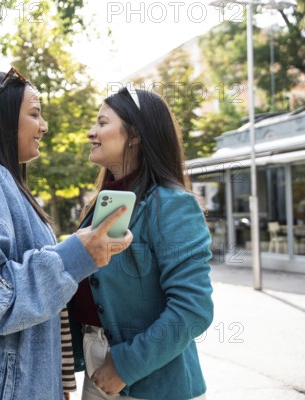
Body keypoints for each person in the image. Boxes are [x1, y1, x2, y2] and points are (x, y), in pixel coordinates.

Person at [0, 67, 134, 400]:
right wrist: (74, 256)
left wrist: (58, 379)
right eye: (34, 114)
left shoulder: (2, 182)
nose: (44, 125)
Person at [67, 86, 214, 400]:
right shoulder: (103, 205)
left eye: (102, 123)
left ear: (134, 134)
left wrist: (125, 366)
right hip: (99, 367)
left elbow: (194, 310)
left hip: (151, 380)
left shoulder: (172, 205)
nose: (91, 132)